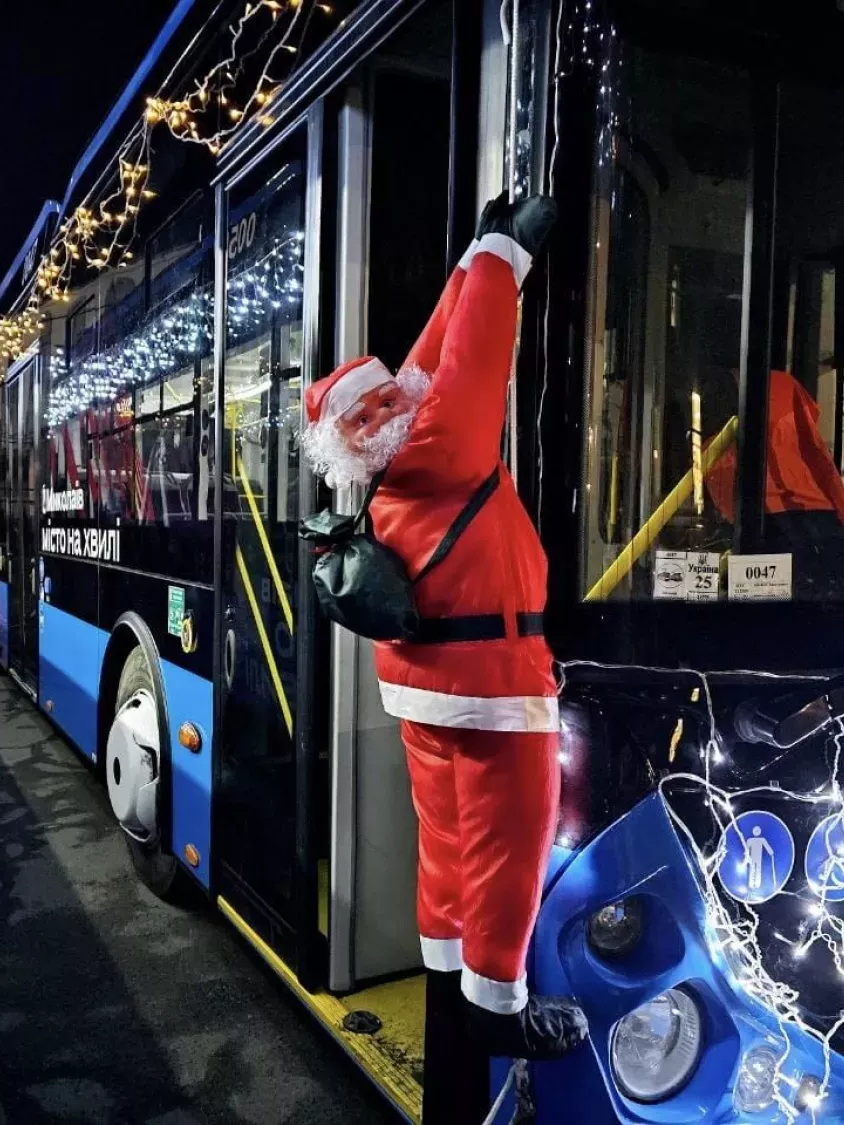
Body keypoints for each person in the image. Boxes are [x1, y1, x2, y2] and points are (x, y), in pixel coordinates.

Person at [301, 194, 588, 1062]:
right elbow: (470, 362)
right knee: (513, 839)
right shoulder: (446, 446)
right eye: (384, 397)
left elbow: (428, 363)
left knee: (449, 839)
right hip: (491, 689)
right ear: (377, 423)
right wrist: (502, 256)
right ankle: (498, 1002)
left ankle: (445, 964)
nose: (401, 389)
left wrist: (468, 259)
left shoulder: (387, 469)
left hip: (423, 692)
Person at [704, 368, 844, 551]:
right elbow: (817, 453)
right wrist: (840, 510)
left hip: (762, 519)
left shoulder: (717, 406)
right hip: (816, 516)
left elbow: (720, 474)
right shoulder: (782, 384)